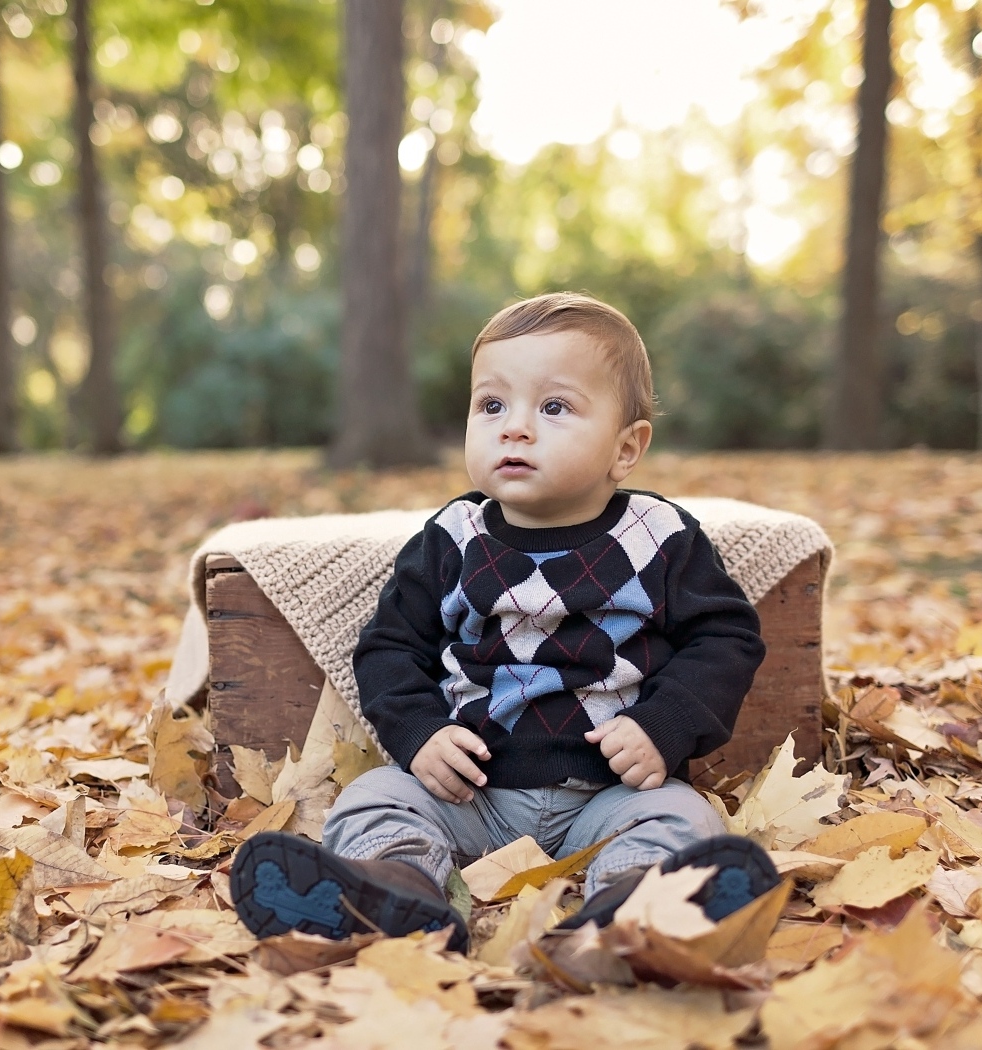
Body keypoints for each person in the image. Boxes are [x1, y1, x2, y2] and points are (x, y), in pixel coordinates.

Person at [231, 292, 776, 951]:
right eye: (491, 405)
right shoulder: (452, 537)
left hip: (611, 793)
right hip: (472, 793)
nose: (514, 428)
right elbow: (389, 646)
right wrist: (421, 732)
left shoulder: (657, 537)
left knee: (681, 816)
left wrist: (663, 726)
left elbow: (726, 638)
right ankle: (399, 887)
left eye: (554, 407)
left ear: (626, 448)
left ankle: (632, 901)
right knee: (375, 795)